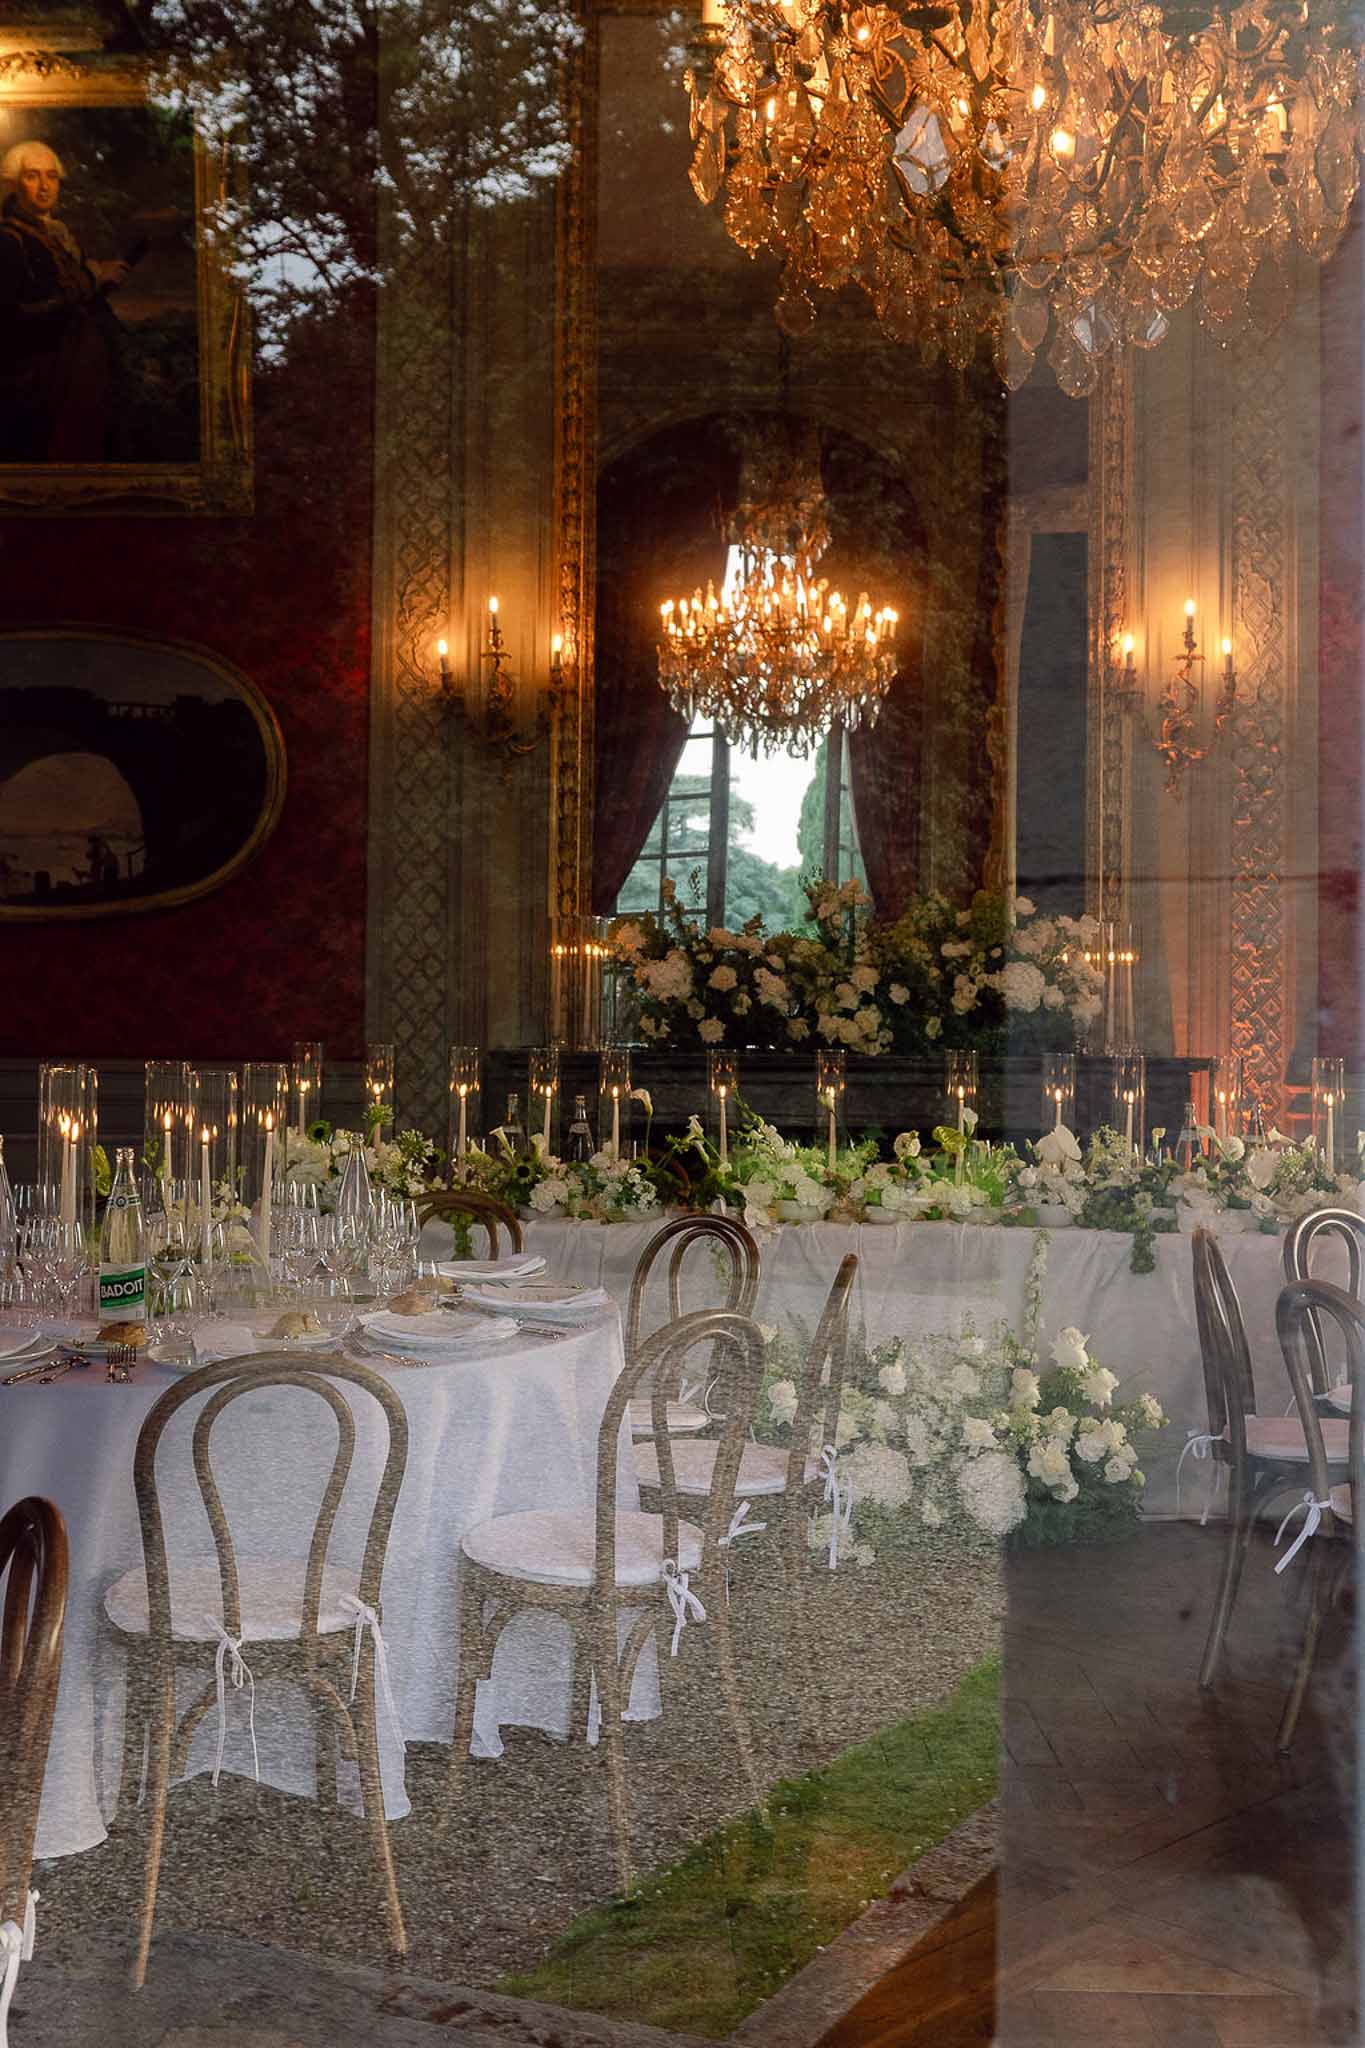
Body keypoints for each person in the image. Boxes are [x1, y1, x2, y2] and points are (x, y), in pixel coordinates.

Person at [0, 139, 132, 462]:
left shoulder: (56, 232)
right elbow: (16, 314)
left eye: (51, 177)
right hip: (44, 373)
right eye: (32, 176)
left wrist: (103, 281)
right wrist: (92, 278)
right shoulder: (8, 240)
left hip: (80, 364)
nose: (44, 187)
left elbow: (76, 299)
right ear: (15, 183)